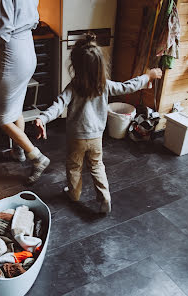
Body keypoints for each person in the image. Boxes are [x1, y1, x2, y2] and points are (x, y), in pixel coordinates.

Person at [34, 34, 162, 213]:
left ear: (75, 65)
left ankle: (74, 194)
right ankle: (104, 198)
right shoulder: (105, 85)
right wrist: (147, 77)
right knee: (96, 166)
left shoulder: (73, 87)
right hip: (96, 137)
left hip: (76, 138)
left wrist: (43, 118)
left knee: (74, 166)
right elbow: (127, 86)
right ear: (100, 66)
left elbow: (58, 105)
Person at [0, 0, 49, 184]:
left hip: (13, 57)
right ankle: (18, 151)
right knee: (15, 109)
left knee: (2, 118)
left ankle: (37, 157)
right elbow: (33, 21)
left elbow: (3, 32)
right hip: (28, 51)